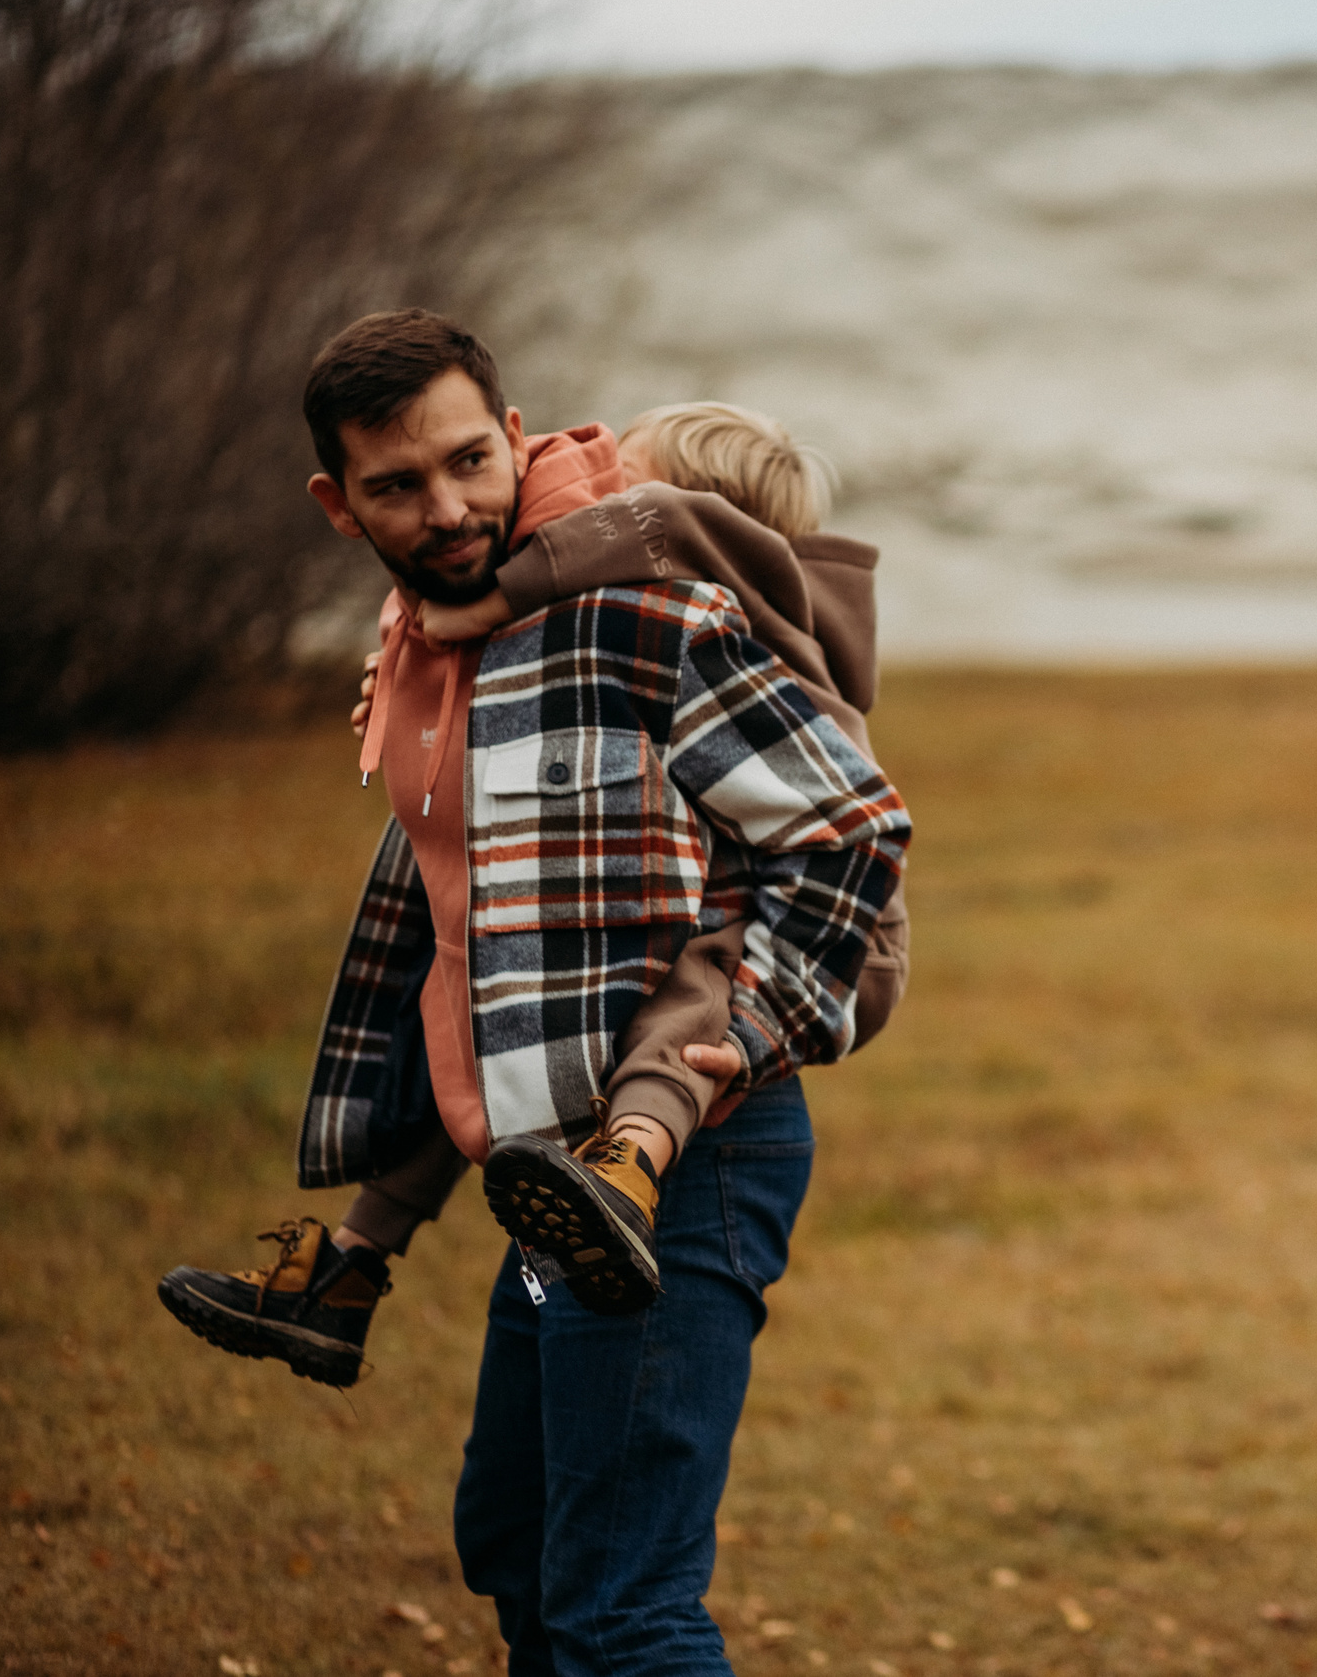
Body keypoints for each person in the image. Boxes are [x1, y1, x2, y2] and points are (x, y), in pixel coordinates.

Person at [162, 309, 911, 1674]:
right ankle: (347, 1278)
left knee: (621, 1606)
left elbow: (851, 832)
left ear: (516, 439)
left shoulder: (648, 605)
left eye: (466, 464)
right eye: (398, 483)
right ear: (342, 503)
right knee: (516, 1545)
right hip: (540, 1166)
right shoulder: (448, 636)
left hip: (691, 1153)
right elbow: (460, 929)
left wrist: (725, 1050)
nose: (444, 506)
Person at [160, 396, 909, 1348]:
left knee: (690, 975)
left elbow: (850, 836)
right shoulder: (627, 622)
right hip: (664, 967)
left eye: (615, 487)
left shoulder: (718, 618)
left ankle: (630, 1166)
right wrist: (415, 686)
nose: (586, 500)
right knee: (490, 971)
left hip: (786, 943)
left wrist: (484, 602)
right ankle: (354, 1259)